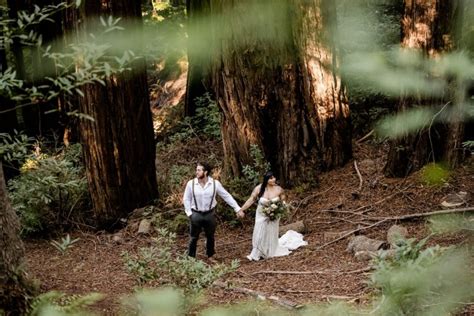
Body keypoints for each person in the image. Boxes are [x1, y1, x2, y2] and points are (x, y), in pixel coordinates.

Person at [183, 162, 243, 260]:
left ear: (205, 172)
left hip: (209, 214)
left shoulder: (215, 184)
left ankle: (210, 255)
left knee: (210, 236)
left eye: (199, 170)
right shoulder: (191, 184)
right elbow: (186, 199)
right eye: (196, 170)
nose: (196, 172)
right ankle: (191, 258)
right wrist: (189, 213)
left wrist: (237, 208)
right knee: (193, 237)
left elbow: (226, 196)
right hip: (196, 213)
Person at [239, 171, 291, 261]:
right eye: (271, 178)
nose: (274, 179)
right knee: (259, 231)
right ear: (266, 180)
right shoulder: (259, 188)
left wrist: (283, 208)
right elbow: (251, 200)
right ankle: (257, 251)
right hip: (261, 214)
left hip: (274, 214)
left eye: (274, 177)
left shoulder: (278, 189)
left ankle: (270, 250)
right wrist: (241, 209)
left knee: (271, 232)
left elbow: (283, 201)